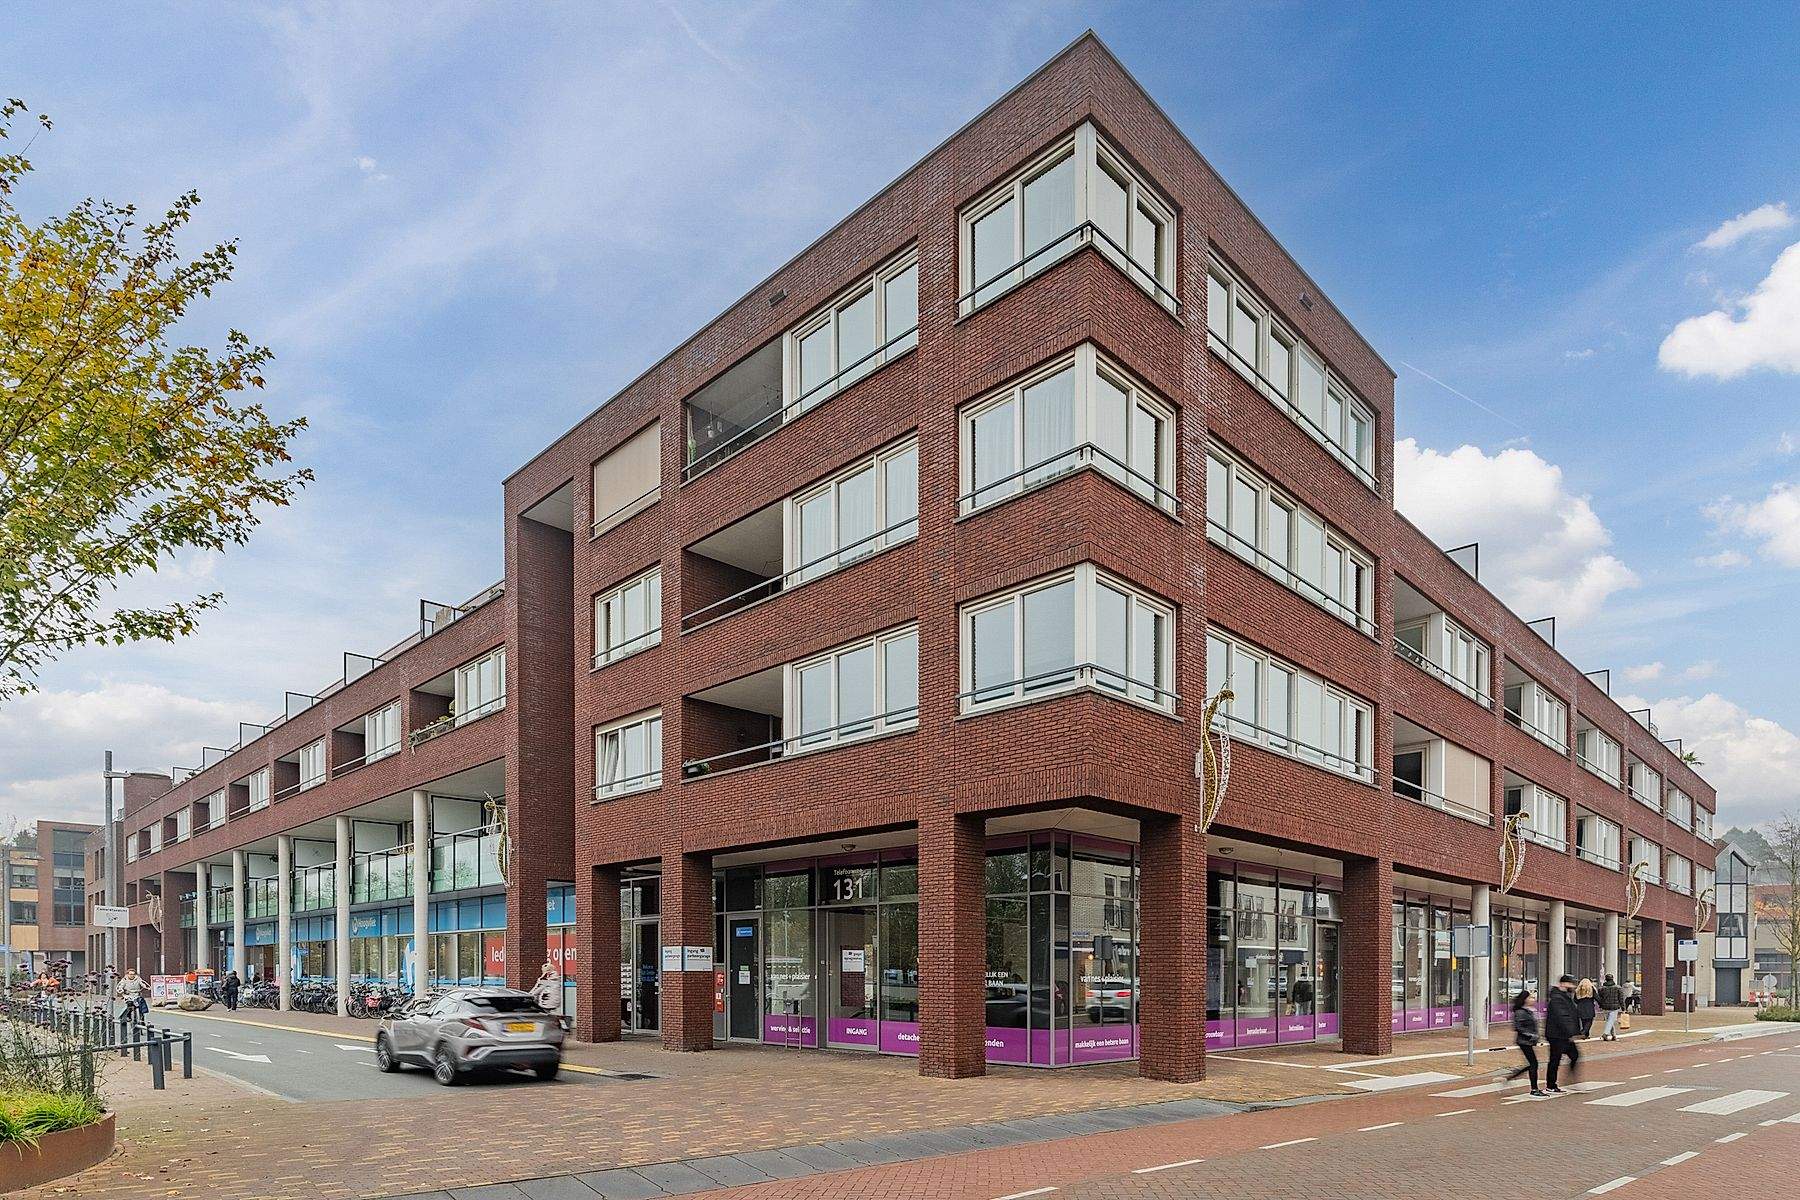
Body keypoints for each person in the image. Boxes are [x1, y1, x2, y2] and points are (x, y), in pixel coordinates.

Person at [1505, 988, 1546, 1097]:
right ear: (1525, 999)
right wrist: (1531, 1035)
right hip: (1524, 1041)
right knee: (1534, 1064)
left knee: (1532, 1063)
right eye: (1530, 997)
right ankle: (1534, 1089)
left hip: (1529, 1041)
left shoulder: (1530, 1010)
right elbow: (1517, 1027)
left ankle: (1513, 1076)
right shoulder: (1520, 1012)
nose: (1533, 999)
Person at [1545, 974, 1582, 1093]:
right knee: (1555, 1059)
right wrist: (1571, 1032)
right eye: (1571, 983)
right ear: (1563, 984)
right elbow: (1563, 1016)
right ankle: (1551, 1085)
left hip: (1563, 1034)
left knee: (1574, 1055)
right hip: (1556, 1035)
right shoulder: (1557, 998)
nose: (1573, 986)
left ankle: (1569, 1079)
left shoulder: (1565, 996)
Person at [1597, 974, 1625, 1040]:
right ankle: (1605, 1033)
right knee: (1610, 1021)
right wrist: (1623, 1008)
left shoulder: (1601, 988)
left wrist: (1601, 1005)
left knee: (1609, 1021)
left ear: (1605, 979)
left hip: (1605, 1007)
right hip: (1615, 1007)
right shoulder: (1618, 987)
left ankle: (1614, 1036)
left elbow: (1599, 998)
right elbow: (1621, 999)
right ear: (1612, 979)